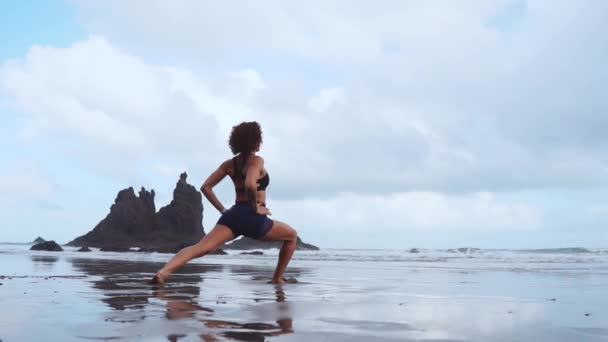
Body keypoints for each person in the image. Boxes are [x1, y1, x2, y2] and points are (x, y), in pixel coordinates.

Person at [152, 121, 298, 284]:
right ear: (255, 141)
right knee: (291, 236)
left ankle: (163, 272)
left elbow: (206, 187)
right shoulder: (257, 161)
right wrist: (256, 207)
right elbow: (250, 183)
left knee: (200, 247)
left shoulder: (229, 164)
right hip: (252, 216)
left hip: (233, 215)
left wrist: (223, 210)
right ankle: (277, 278)